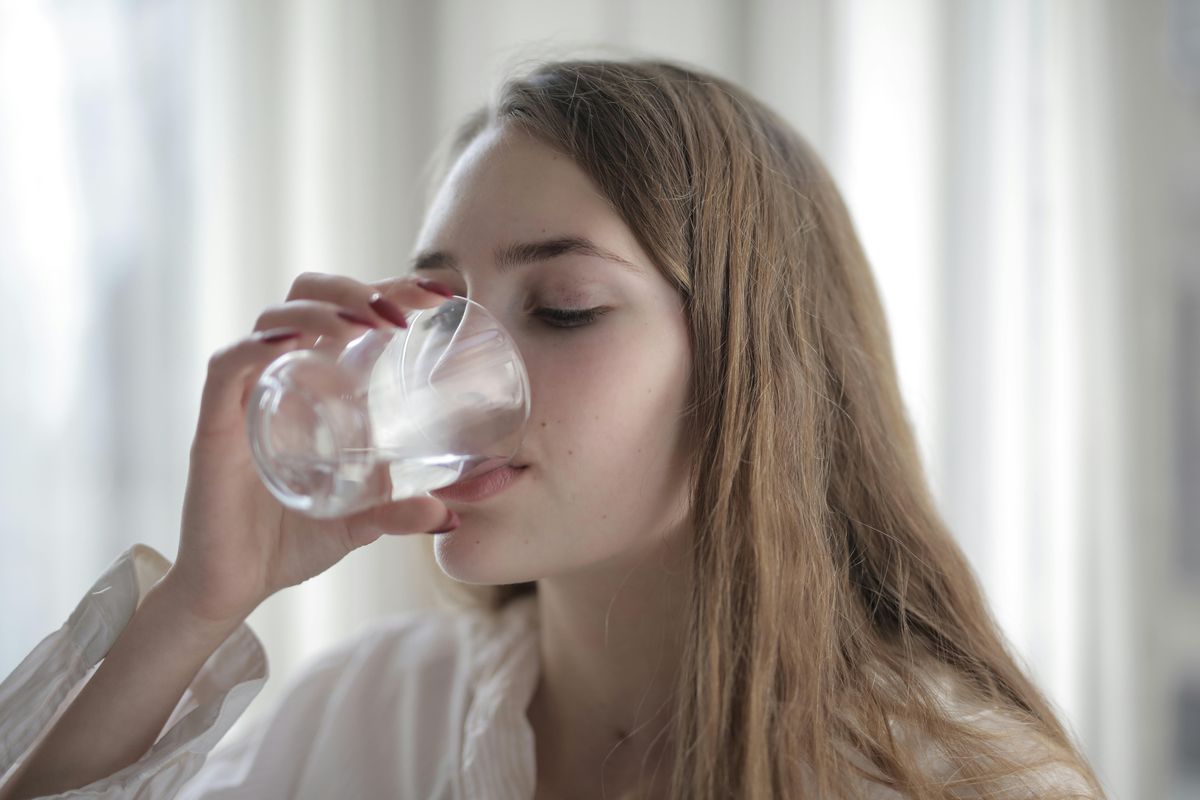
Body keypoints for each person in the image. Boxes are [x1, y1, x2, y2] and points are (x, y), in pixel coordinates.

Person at [0, 58, 1105, 800]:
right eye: (436, 316)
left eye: (563, 307)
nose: (457, 381)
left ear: (750, 370)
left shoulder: (952, 778)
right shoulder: (372, 714)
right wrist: (198, 602)